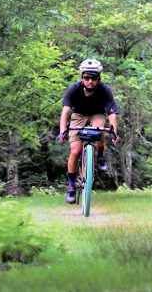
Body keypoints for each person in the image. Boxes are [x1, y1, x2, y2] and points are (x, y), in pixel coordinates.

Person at [56, 59, 120, 204]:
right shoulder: (74, 88)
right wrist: (62, 133)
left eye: (94, 78)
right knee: (75, 151)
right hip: (78, 116)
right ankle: (71, 186)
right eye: (86, 77)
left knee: (99, 127)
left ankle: (101, 155)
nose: (90, 81)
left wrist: (114, 134)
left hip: (97, 114)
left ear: (99, 79)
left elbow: (112, 115)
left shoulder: (105, 90)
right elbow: (65, 112)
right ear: (82, 78)